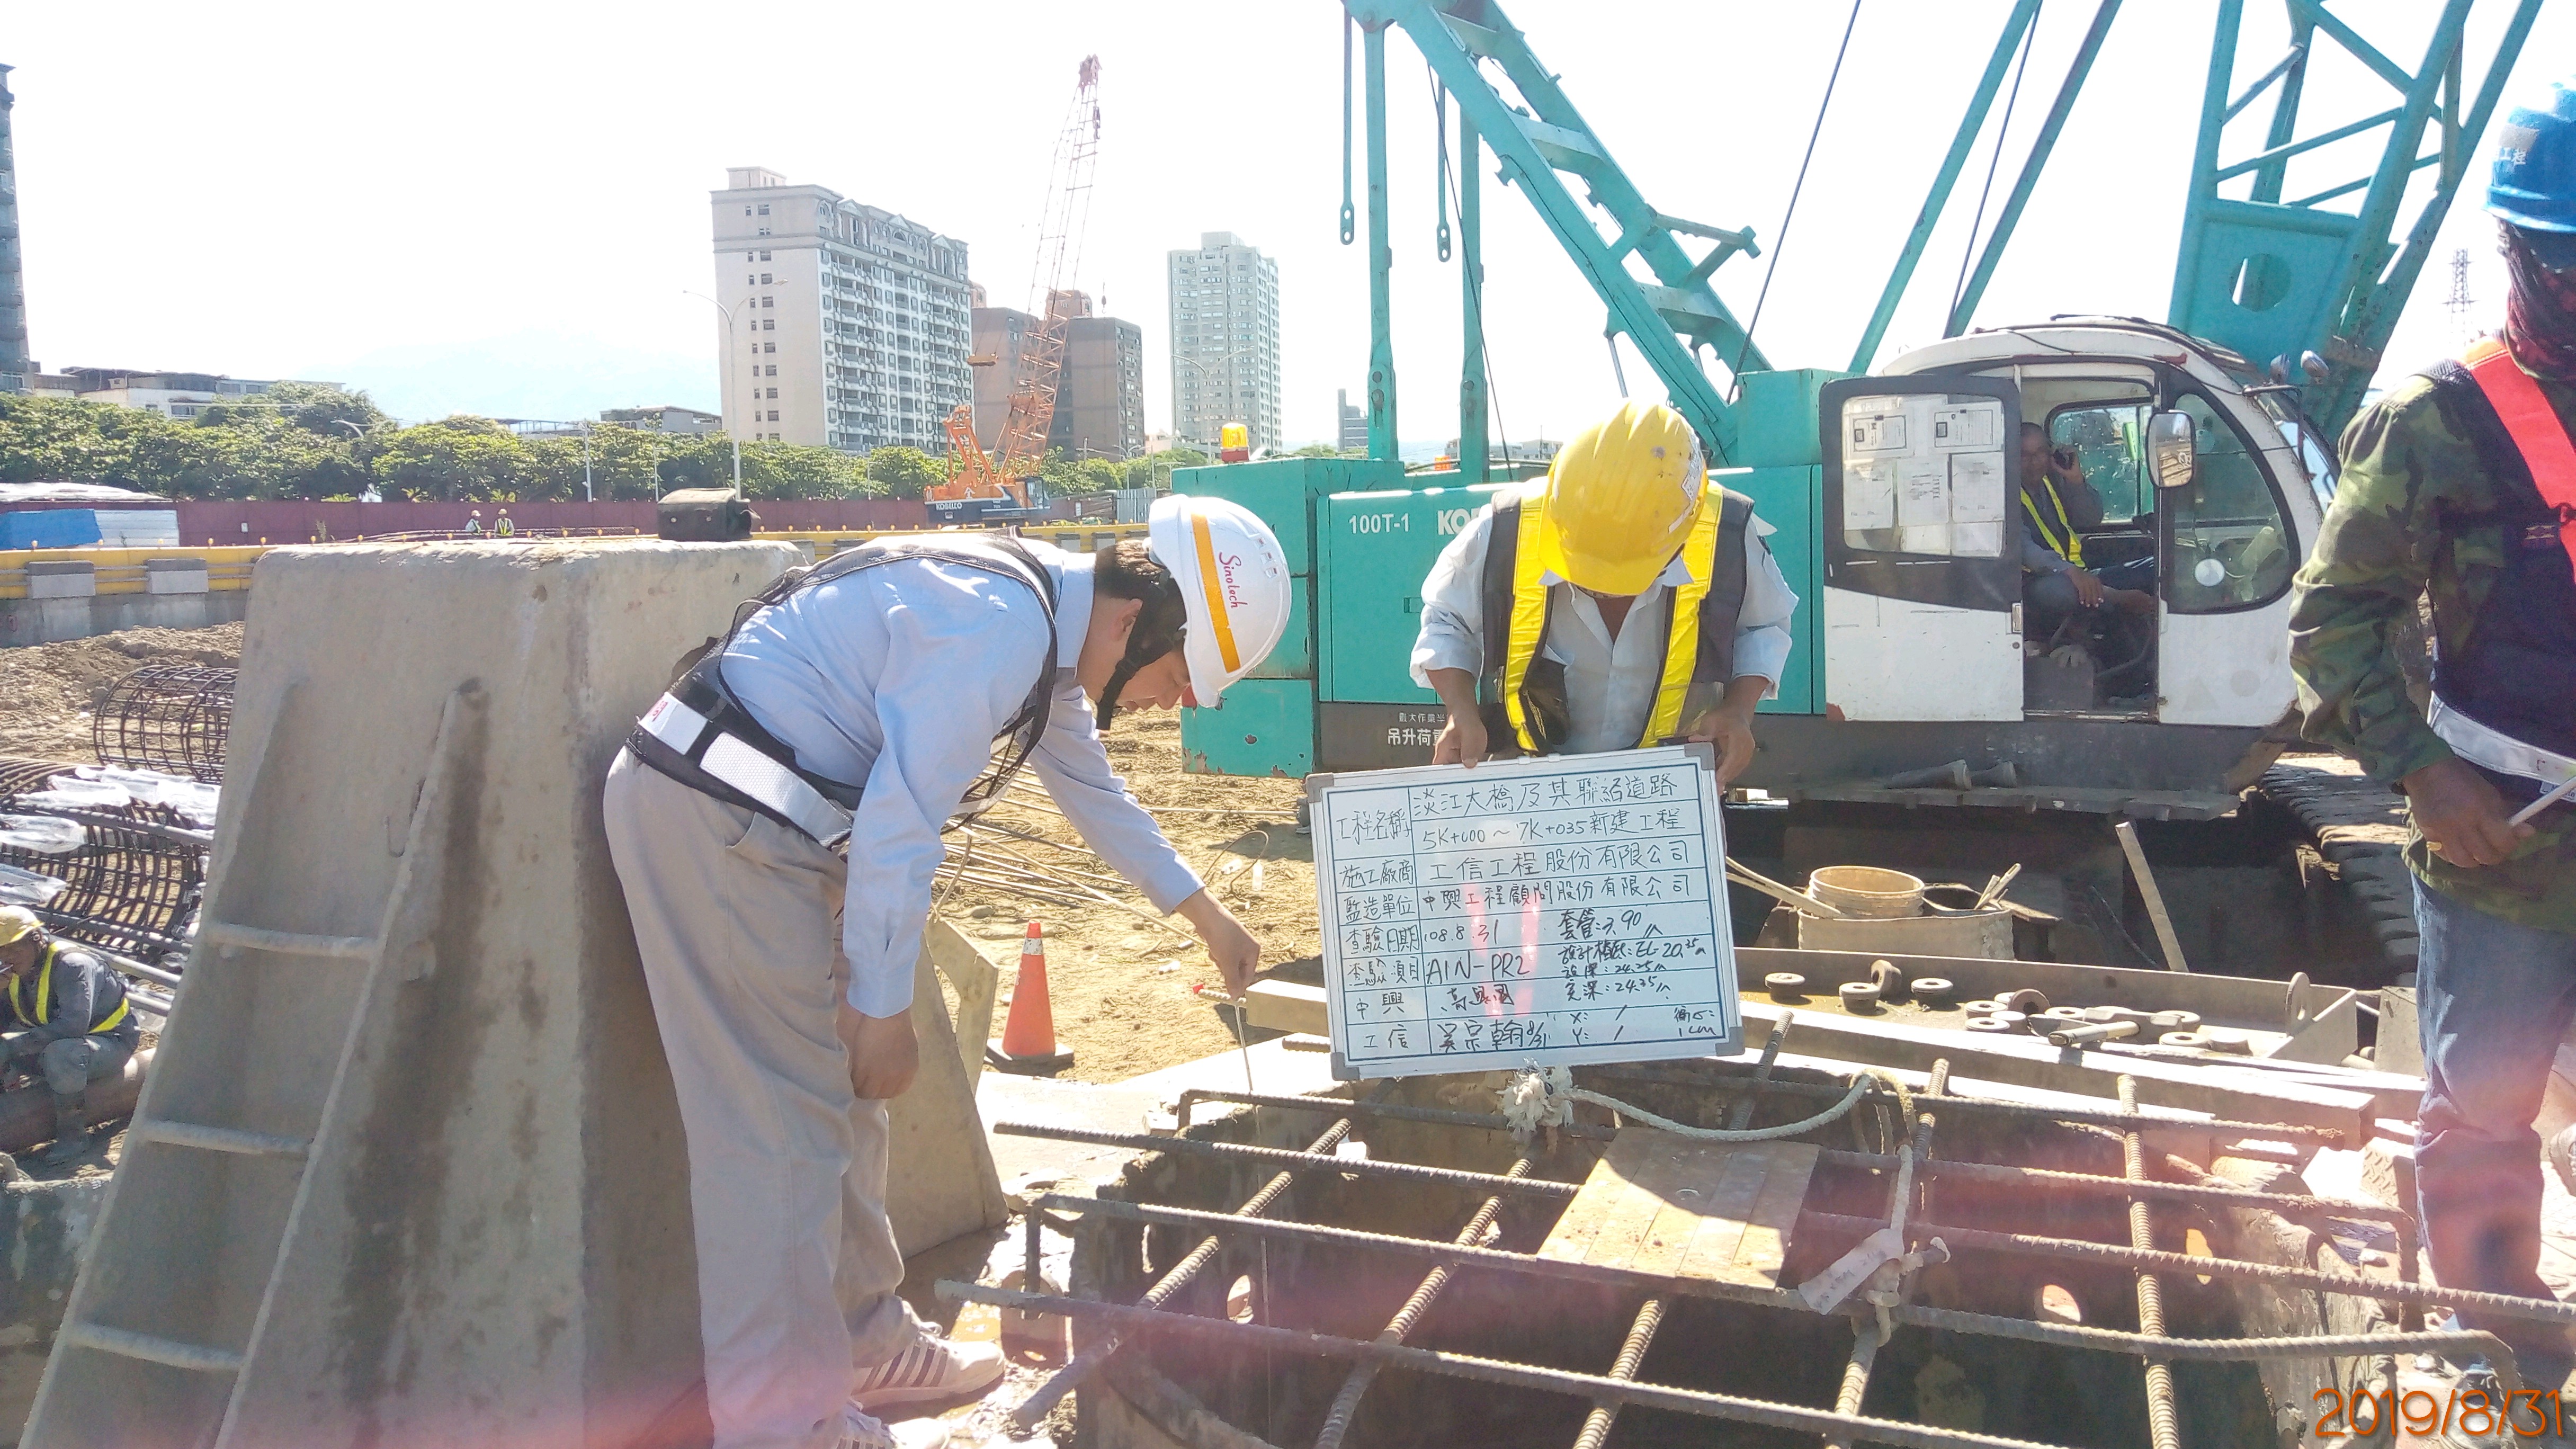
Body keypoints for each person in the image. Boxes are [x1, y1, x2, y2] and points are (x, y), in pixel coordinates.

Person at [603, 496, 1290, 1449]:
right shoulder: (997, 629)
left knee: (842, 1111)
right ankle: (780, 1426)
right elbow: (903, 820)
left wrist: (1206, 916)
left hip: (774, 837)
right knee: (776, 1142)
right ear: (1134, 622)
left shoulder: (1044, 632)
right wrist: (882, 1007)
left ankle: (865, 1345)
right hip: (720, 828)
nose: (1174, 704)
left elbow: (1096, 794)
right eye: (1176, 677)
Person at [2288, 74, 2576, 1446]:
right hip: (2500, 837)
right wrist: (2420, 772)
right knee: (2487, 1109)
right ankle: (2503, 1356)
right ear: (2518, 253)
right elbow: (2332, 620)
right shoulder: (2436, 424)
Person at [1412, 400, 1797, 784]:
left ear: (1682, 535)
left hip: (1669, 787)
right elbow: (1447, 621)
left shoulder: (1722, 534)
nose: (1603, 592)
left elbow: (1762, 626)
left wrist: (1739, 709)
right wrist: (1461, 711)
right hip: (1533, 784)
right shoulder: (1505, 530)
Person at [0, 908, 140, 1166]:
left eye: (14, 949)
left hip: (108, 1043)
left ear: (36, 939)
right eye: (2, 950)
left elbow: (73, 1026)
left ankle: (73, 1136)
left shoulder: (72, 965)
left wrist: (14, 1045)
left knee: (62, 1056)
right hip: (53, 1042)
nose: (7, 957)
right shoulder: (15, 972)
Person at [2018, 422, 2154, 643]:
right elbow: (2023, 549)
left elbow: (2089, 519)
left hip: (2078, 573)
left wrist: (2075, 481)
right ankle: (2115, 598)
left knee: (2156, 567)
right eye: (2024, 455)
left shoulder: (2053, 481)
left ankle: (2107, 599)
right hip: (2038, 582)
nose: (2034, 462)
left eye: (2040, 453)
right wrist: (2069, 571)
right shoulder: (2004, 494)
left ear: (2051, 453)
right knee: (2062, 592)